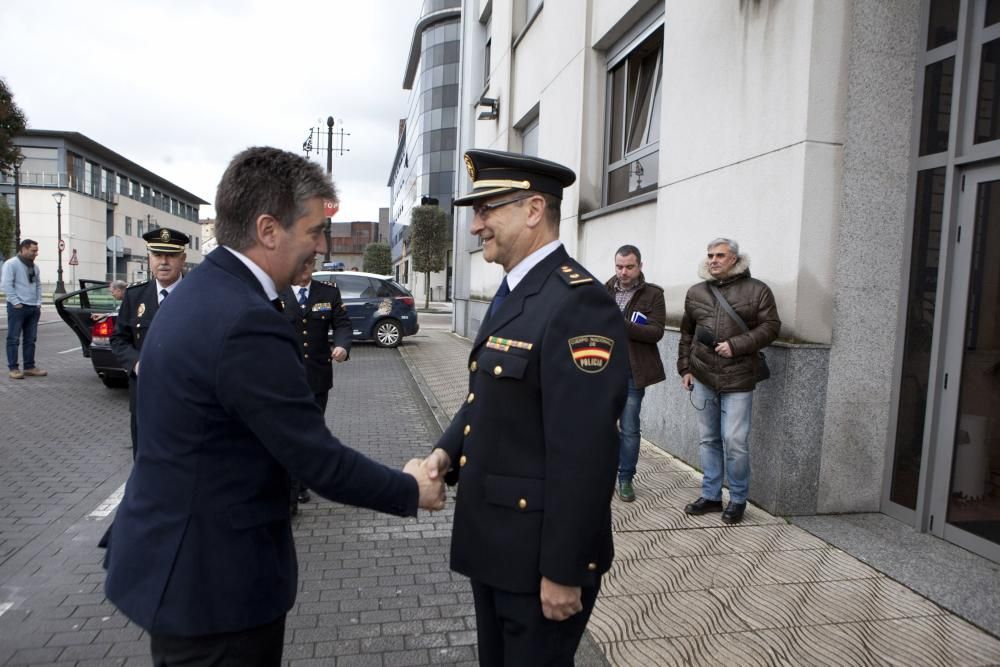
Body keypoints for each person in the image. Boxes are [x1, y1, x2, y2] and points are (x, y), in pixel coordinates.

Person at [103, 146, 445, 666]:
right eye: (312, 231)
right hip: (215, 593)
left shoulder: (201, 293)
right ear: (268, 230)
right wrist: (409, 489)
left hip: (176, 570)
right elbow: (315, 460)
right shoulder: (246, 320)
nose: (322, 246)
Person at [424, 149, 628, 666]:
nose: (475, 226)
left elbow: (586, 452)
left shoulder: (577, 302)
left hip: (538, 563)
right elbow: (489, 396)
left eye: (487, 208)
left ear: (533, 210)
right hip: (496, 546)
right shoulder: (518, 289)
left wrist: (563, 570)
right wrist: (446, 453)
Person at [678, 237, 781, 524]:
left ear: (734, 258)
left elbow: (772, 327)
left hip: (738, 376)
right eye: (710, 255)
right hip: (702, 375)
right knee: (708, 439)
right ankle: (711, 495)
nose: (713, 260)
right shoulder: (696, 292)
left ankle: (737, 499)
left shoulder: (758, 290)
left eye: (720, 255)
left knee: (735, 441)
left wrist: (736, 345)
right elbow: (687, 333)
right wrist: (685, 368)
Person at [110, 228, 189, 459]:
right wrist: (136, 363)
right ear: (149, 258)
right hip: (144, 398)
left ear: (182, 258)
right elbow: (119, 338)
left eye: (171, 255)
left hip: (186, 399)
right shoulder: (135, 297)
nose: (163, 261)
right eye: (157, 255)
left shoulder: (198, 295)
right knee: (145, 462)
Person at [281, 258, 352, 506]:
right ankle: (290, 486)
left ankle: (300, 483)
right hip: (284, 379)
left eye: (308, 264)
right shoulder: (275, 292)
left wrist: (342, 346)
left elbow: (342, 324)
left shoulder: (328, 293)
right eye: (299, 263)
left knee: (311, 432)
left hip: (317, 377)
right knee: (289, 432)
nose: (304, 269)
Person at [604, 245, 666, 503]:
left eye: (629, 266)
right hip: (601, 370)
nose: (623, 272)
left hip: (632, 371)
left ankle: (626, 478)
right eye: (619, 266)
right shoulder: (602, 290)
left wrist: (622, 324)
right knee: (600, 427)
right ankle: (600, 475)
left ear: (640, 266)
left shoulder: (653, 295)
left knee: (629, 428)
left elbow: (656, 332)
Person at [2, 239, 46, 380]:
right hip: (18, 308)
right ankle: (13, 368)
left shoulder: (34, 267)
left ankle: (29, 367)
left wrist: (38, 302)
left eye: (36, 251)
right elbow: (6, 284)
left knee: (30, 339)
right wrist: (16, 302)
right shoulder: (11, 264)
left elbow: (38, 285)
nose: (36, 253)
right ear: (24, 249)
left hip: (33, 307)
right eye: (33, 250)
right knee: (13, 338)